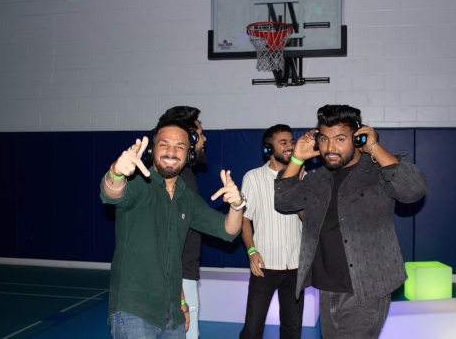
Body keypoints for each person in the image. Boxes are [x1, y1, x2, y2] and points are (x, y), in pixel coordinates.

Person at [274, 105, 428, 338]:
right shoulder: (320, 179)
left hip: (366, 288)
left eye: (340, 139)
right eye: (324, 139)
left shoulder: (377, 172)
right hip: (328, 288)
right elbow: (284, 200)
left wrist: (374, 147)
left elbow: (414, 189)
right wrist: (296, 157)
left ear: (358, 139)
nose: (330, 147)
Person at [100, 119, 246, 338]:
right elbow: (112, 193)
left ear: (188, 154)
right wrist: (117, 172)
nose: (171, 151)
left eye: (180, 147)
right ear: (152, 150)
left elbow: (228, 230)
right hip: (134, 310)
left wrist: (237, 205)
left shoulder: (187, 198)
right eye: (164, 144)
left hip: (173, 313)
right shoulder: (139, 186)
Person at [239, 125, 304, 339]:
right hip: (264, 266)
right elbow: (244, 220)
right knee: (252, 329)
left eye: (291, 142)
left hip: (295, 266)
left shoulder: (303, 177)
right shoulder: (253, 177)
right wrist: (251, 252)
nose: (289, 146)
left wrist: (299, 184)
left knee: (292, 330)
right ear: (268, 148)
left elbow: (310, 219)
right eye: (283, 142)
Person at [158, 106, 207, 339]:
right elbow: (167, 239)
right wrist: (182, 300)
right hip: (179, 276)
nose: (204, 138)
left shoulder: (183, 176)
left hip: (178, 274)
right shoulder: (180, 179)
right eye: (200, 133)